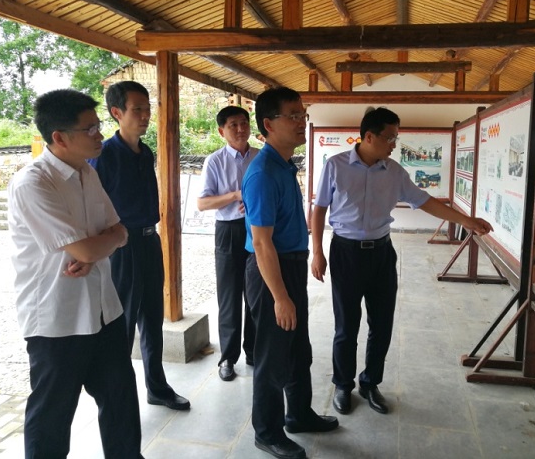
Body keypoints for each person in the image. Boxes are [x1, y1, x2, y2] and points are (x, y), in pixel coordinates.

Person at [311, 107, 493, 416]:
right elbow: (319, 209)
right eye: (390, 137)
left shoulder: (394, 171)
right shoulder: (336, 166)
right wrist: (317, 251)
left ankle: (370, 383)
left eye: (396, 137)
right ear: (369, 137)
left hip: (382, 253)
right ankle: (343, 384)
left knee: (382, 324)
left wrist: (466, 220)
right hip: (346, 253)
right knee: (346, 326)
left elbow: (425, 201)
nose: (395, 144)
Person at [8, 89, 144, 458]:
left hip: (103, 309)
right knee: (52, 417)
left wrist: (101, 245)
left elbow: (119, 230)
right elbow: (88, 249)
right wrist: (99, 246)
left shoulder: (87, 172)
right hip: (58, 320)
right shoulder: (33, 183)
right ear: (60, 137)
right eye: (91, 129)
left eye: (99, 126)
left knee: (120, 402)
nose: (100, 134)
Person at [243, 87, 338, 459]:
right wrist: (280, 297)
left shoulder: (283, 165)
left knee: (298, 348)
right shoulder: (263, 173)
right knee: (273, 355)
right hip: (272, 273)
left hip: (291, 266)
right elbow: (261, 243)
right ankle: (267, 432)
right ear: (269, 124)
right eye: (293, 116)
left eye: (303, 115)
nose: (302, 122)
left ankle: (298, 414)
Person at [89, 81, 190, 411]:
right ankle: (118, 396)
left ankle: (156, 387)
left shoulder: (145, 152)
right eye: (137, 109)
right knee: (123, 324)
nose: (146, 115)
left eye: (148, 109)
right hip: (122, 247)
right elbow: (92, 208)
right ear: (117, 113)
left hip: (149, 241)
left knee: (152, 319)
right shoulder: (104, 155)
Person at [197, 106, 257, 381]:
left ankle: (254, 351)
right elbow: (203, 203)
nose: (241, 129)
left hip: (257, 229)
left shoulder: (259, 157)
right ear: (222, 131)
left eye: (244, 123)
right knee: (230, 296)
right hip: (229, 231)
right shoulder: (215, 161)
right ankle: (228, 358)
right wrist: (235, 196)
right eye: (233, 125)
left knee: (256, 293)